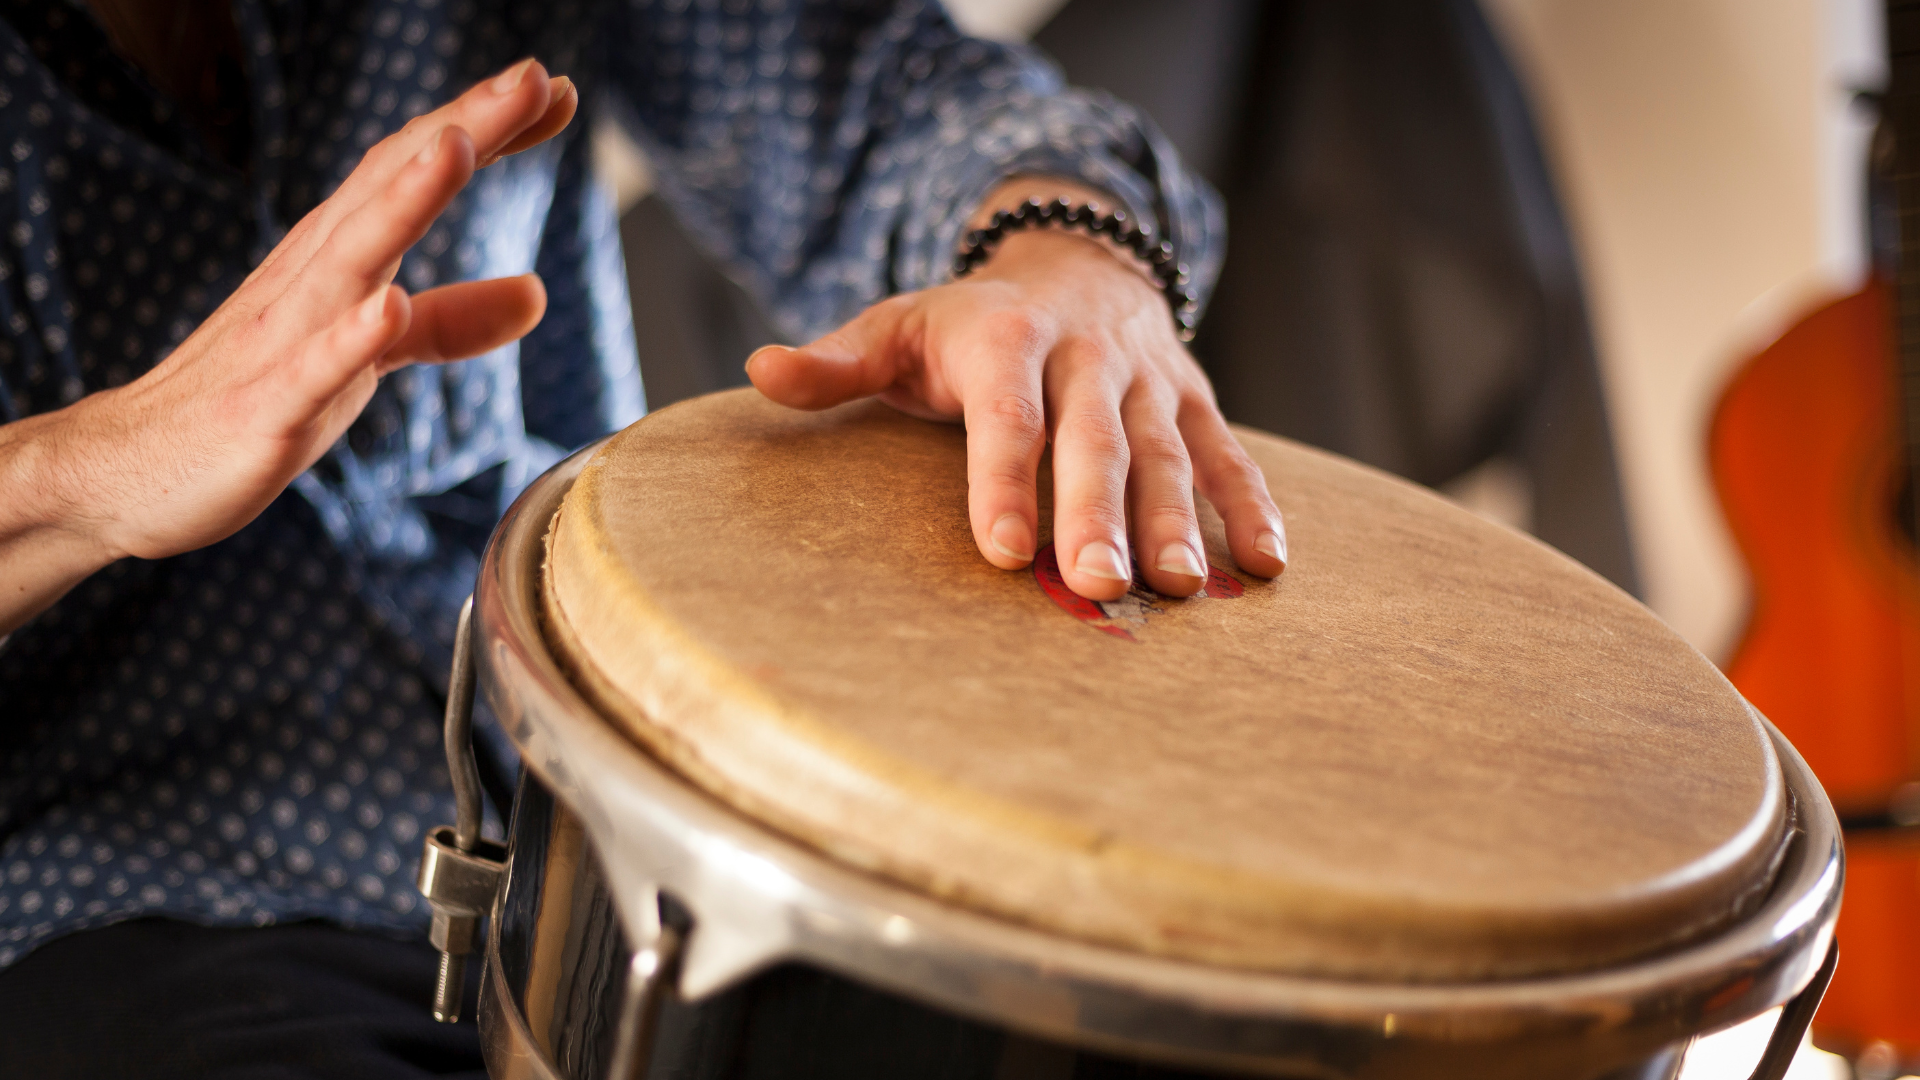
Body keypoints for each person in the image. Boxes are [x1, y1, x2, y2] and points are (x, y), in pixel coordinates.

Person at [0, 0, 1284, 1074]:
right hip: (113, 898)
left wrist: (1065, 253)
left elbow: (881, 93)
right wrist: (87, 470)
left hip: (616, 800)